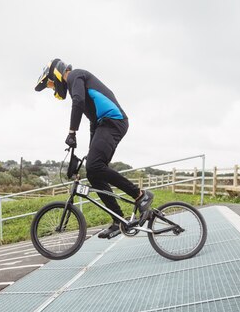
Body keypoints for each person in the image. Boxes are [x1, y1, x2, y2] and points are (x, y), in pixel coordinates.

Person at [35, 58, 154, 239]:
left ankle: (140, 195)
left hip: (114, 121)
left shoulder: (75, 76)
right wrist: (90, 152)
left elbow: (78, 102)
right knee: (93, 172)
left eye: (50, 84)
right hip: (104, 124)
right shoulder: (79, 85)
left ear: (56, 74)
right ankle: (119, 220)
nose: (52, 88)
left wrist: (72, 132)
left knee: (95, 166)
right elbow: (93, 122)